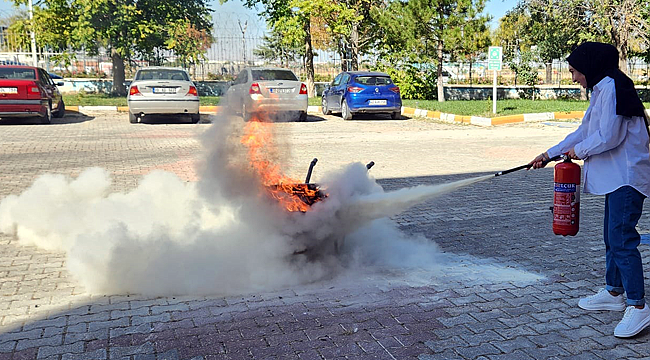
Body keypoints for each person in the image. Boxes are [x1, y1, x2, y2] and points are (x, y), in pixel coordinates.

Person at [529, 42, 650, 338]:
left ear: (589, 67)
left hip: (627, 176)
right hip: (616, 176)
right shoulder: (602, 89)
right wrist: (550, 153)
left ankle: (638, 307)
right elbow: (584, 130)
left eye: (574, 71)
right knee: (612, 237)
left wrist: (578, 151)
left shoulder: (612, 88)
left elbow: (609, 135)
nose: (573, 78)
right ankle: (613, 293)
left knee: (622, 239)